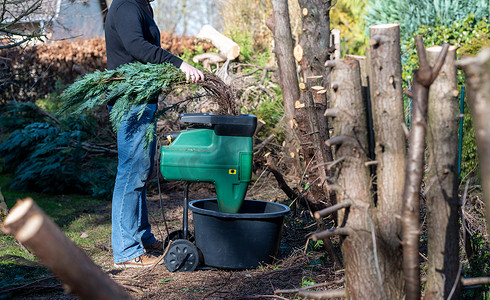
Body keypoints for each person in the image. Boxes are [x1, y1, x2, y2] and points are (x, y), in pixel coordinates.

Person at [104, 0, 204, 268]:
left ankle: (143, 238)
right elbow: (136, 46)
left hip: (142, 99)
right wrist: (179, 64)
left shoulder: (140, 5)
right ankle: (126, 252)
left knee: (141, 172)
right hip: (131, 100)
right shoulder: (126, 5)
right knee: (130, 172)